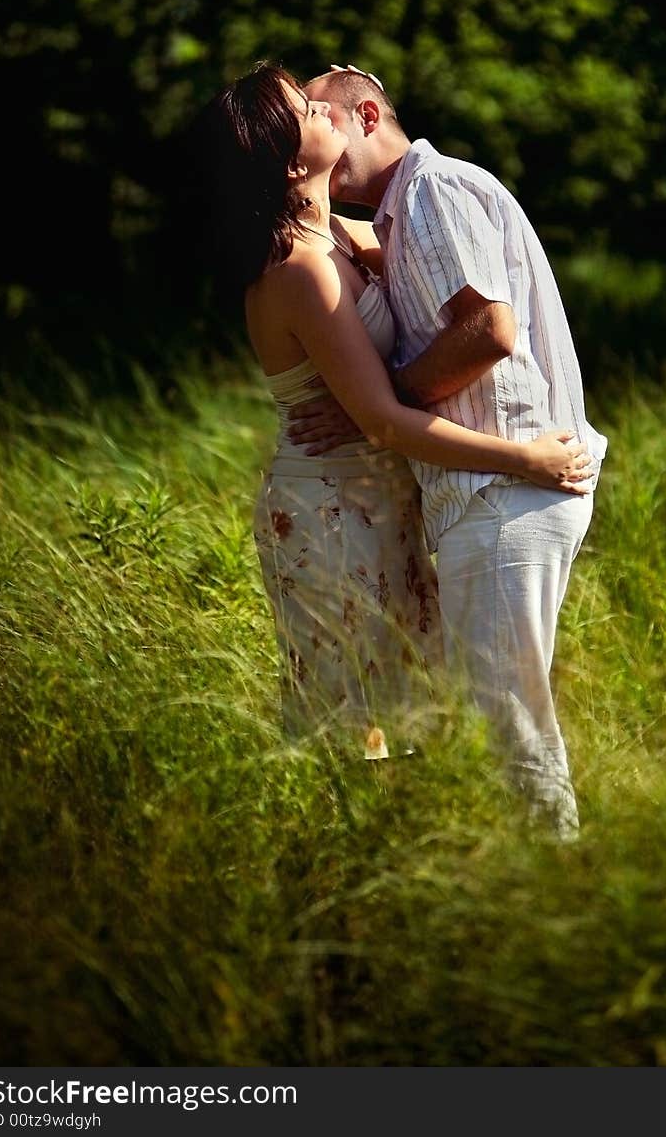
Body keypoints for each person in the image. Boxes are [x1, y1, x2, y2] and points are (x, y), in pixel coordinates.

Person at [193, 60, 595, 765]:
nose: (326, 113)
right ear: (290, 165)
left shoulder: (349, 236)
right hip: (333, 508)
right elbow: (380, 418)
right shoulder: (301, 268)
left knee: (415, 711)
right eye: (308, 112)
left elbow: (449, 267)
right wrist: (527, 458)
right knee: (355, 723)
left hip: (379, 500)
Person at [289, 64, 608, 836]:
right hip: (494, 493)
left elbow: (487, 332)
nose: (311, 122)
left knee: (511, 728)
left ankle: (550, 899)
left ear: (366, 115)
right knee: (496, 719)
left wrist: (381, 401)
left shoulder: (432, 191)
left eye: (318, 109)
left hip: (504, 493)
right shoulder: (406, 212)